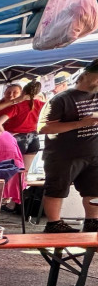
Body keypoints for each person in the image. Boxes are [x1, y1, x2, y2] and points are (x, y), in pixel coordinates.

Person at [36, 59, 98, 233]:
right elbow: (43, 128)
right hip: (63, 155)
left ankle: (92, 220)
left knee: (93, 189)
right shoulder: (61, 99)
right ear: (85, 75)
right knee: (57, 188)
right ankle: (54, 223)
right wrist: (81, 124)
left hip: (92, 152)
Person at [0, 81, 45, 173]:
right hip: (34, 139)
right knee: (25, 173)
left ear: (23, 92)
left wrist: (7, 136)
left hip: (17, 139)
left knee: (12, 172)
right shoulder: (42, 105)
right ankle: (23, 187)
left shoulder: (16, 106)